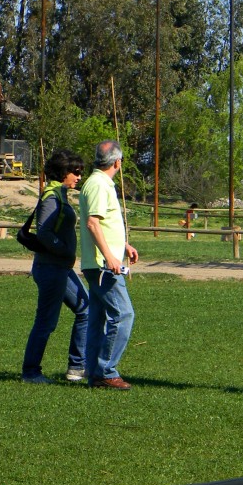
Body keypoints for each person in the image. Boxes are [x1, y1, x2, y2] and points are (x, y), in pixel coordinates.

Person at [21, 149, 88, 384]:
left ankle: (77, 368)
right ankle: (30, 372)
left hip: (61, 268)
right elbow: (45, 232)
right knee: (46, 322)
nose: (79, 177)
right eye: (75, 172)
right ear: (63, 172)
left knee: (85, 309)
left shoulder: (60, 193)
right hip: (50, 268)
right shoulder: (51, 196)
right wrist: (66, 250)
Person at [79, 140, 139, 390]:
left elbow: (104, 223)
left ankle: (94, 371)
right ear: (117, 162)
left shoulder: (100, 184)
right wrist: (110, 257)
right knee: (123, 314)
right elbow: (93, 223)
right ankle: (106, 370)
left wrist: (122, 246)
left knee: (98, 317)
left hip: (102, 262)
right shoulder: (98, 185)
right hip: (104, 267)